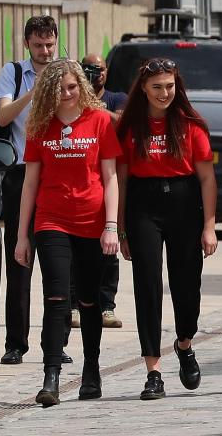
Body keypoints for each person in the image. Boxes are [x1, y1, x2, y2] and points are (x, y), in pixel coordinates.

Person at [12, 60, 121, 407]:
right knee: (56, 298)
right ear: (48, 91)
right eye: (60, 88)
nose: (67, 94)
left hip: (91, 220)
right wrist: (21, 236)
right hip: (51, 220)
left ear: (82, 87)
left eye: (73, 87)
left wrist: (111, 225)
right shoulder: (39, 125)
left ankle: (91, 368)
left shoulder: (100, 121)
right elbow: (30, 184)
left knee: (89, 300)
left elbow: (110, 178)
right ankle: (52, 375)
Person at [116, 58, 218, 400]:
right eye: (157, 87)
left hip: (184, 204)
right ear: (143, 88)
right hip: (144, 207)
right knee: (147, 286)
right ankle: (153, 371)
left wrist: (209, 226)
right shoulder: (131, 128)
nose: (164, 93)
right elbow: (122, 182)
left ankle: (185, 343)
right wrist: (120, 228)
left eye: (170, 86)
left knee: (187, 285)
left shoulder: (191, 126)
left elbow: (206, 178)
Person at [0, 15, 74, 366]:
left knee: (60, 263)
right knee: (20, 260)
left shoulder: (67, 74)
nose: (45, 51)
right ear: (27, 43)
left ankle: (58, 343)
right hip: (22, 174)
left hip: (59, 173)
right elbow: (2, 117)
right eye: (39, 45)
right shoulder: (12, 73)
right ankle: (16, 343)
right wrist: (36, 89)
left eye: (50, 45)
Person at [72, 53, 127, 330]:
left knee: (109, 248)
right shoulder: (71, 97)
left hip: (110, 179)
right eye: (89, 69)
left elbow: (121, 121)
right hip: (80, 181)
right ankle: (74, 306)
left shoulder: (117, 98)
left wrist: (91, 106)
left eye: (99, 69)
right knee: (73, 250)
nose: (95, 74)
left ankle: (107, 306)